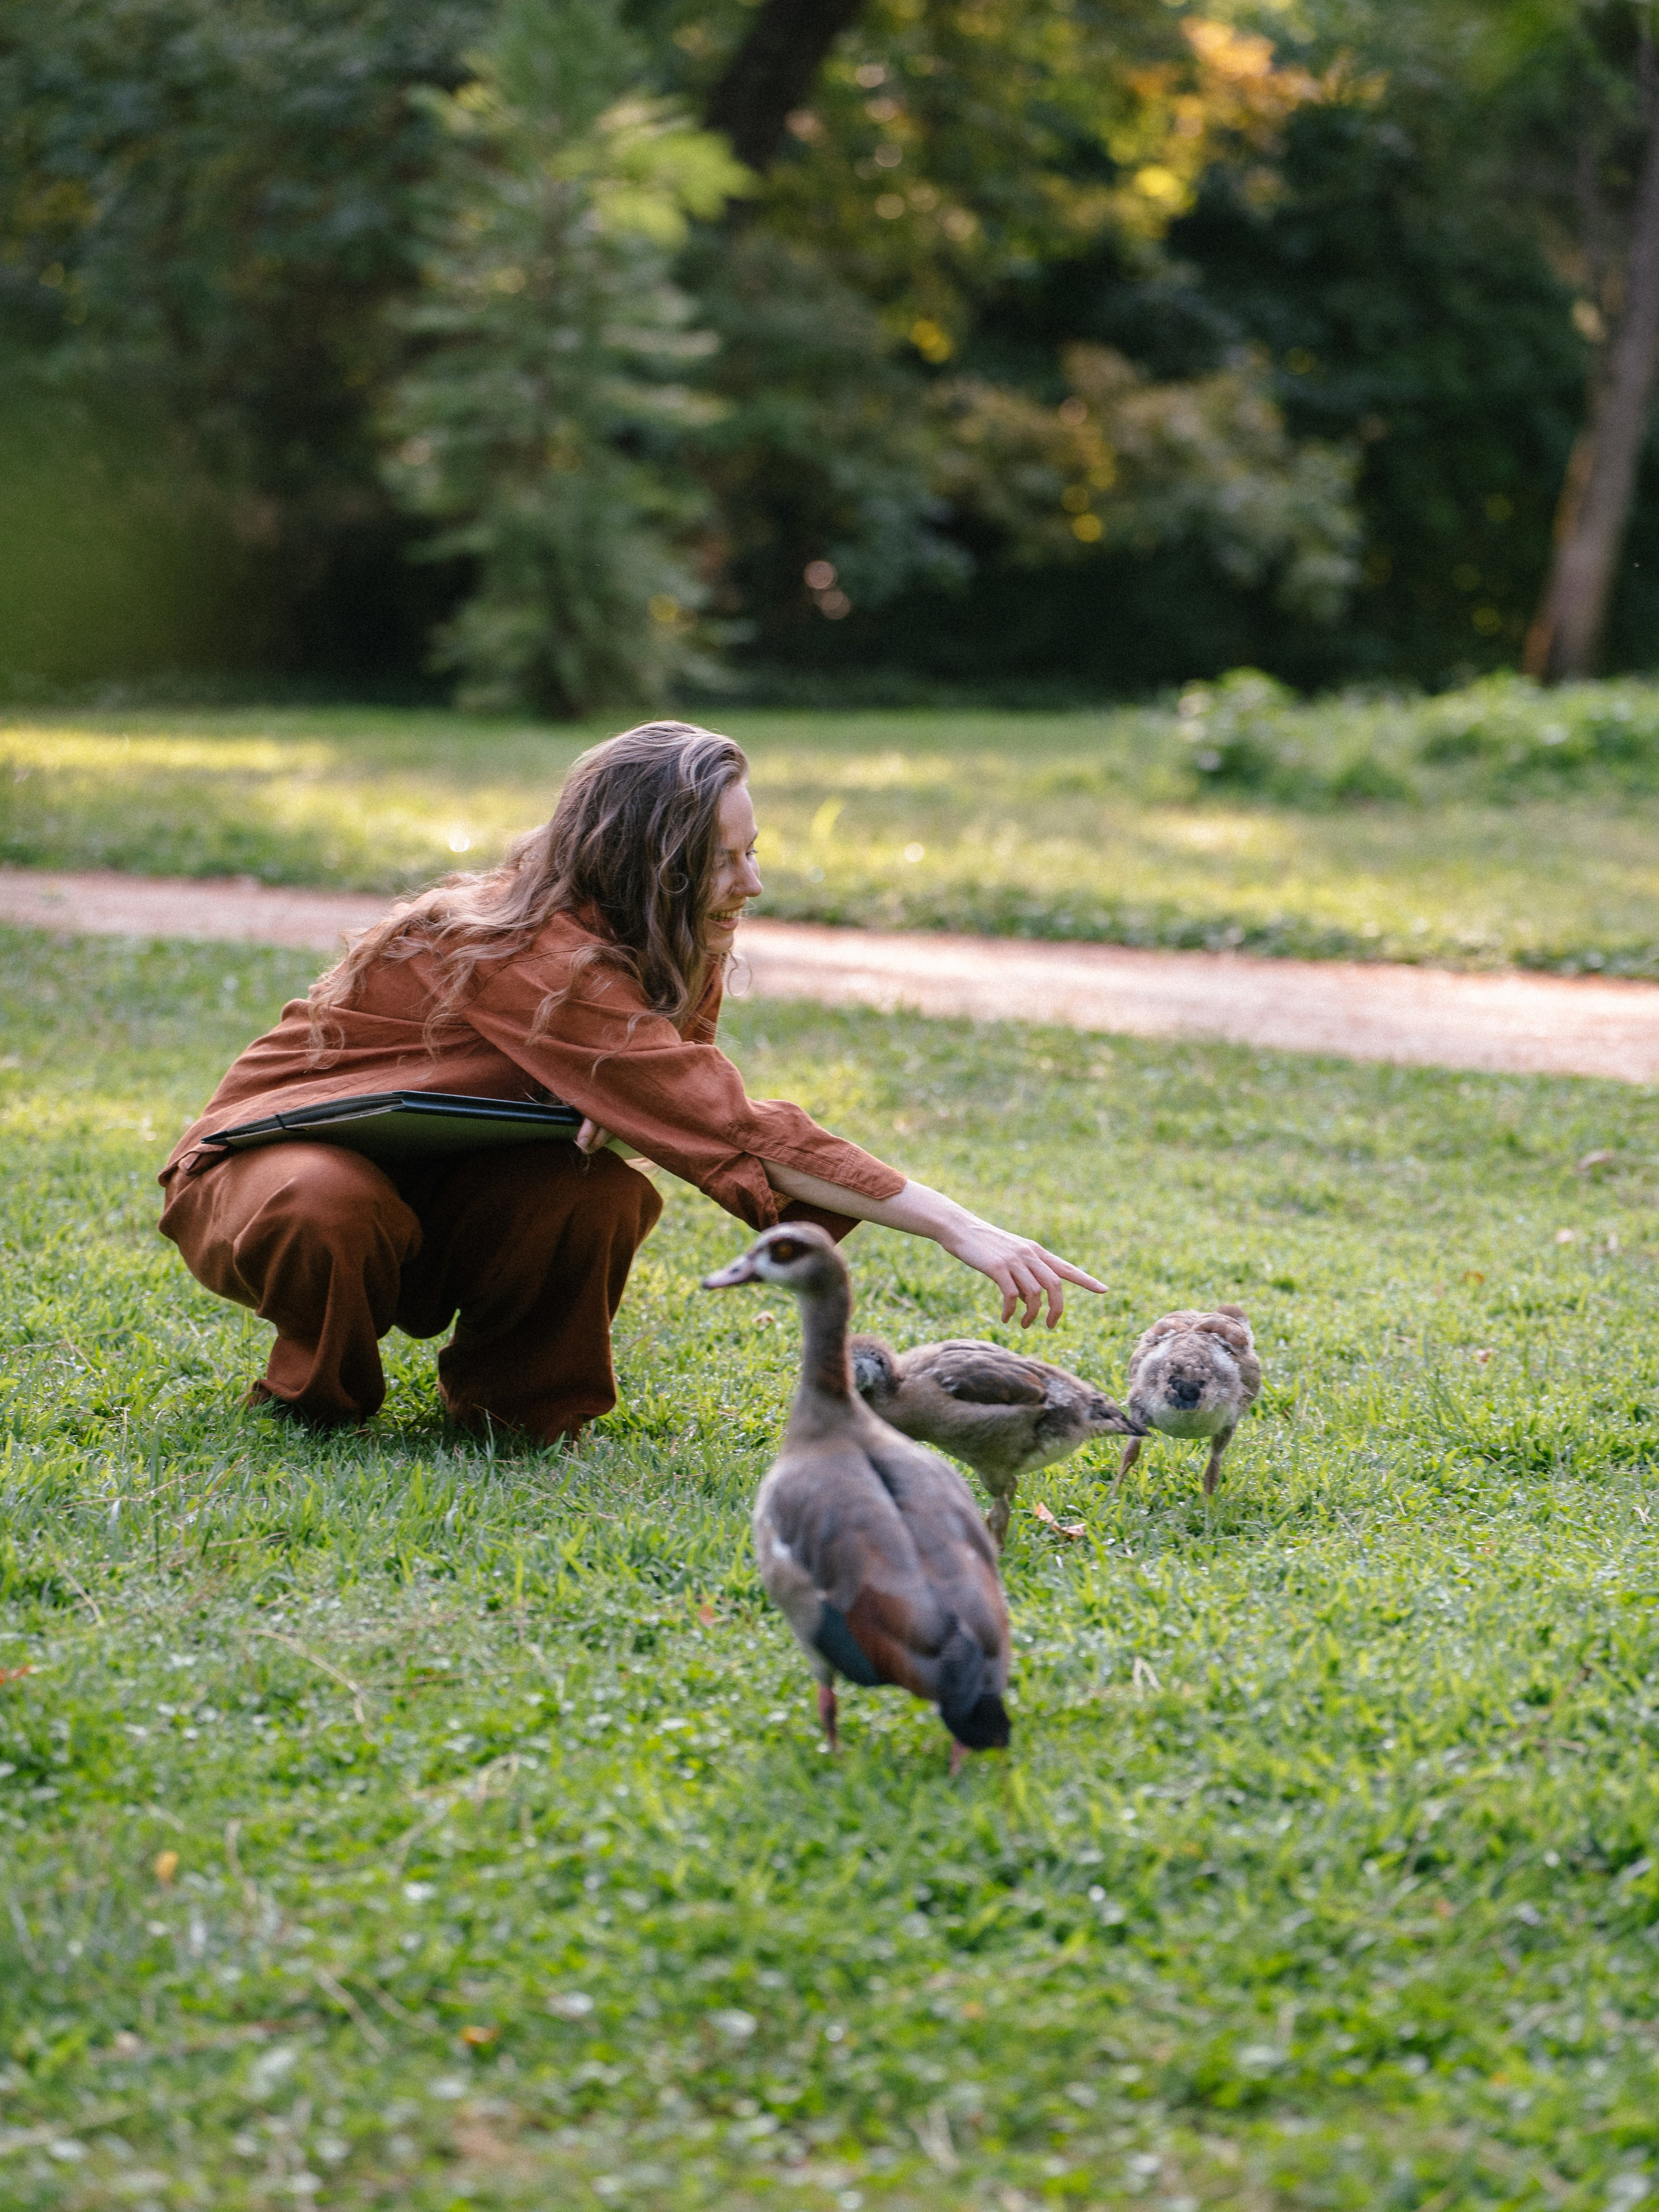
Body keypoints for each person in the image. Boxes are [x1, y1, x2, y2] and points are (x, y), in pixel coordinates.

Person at [159, 721, 1107, 1443]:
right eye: (721, 860)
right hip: (259, 1172)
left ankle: (518, 1411)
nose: (752, 883)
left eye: (752, 850)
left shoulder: (668, 945)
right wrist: (958, 1226)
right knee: (331, 1200)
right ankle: (317, 1402)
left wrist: (615, 1113)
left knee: (596, 1190)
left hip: (442, 1183)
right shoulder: (529, 951)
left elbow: (684, 1120)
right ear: (650, 864)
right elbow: (731, 1125)